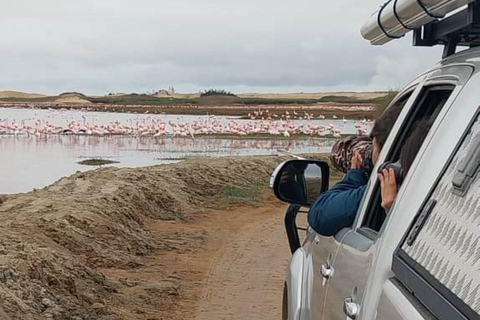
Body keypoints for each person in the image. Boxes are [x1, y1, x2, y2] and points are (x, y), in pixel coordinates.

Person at [308, 104, 403, 236]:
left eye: (373, 145)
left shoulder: (387, 186)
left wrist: (354, 176)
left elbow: (319, 215)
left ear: (386, 153)